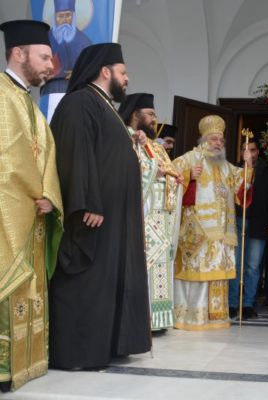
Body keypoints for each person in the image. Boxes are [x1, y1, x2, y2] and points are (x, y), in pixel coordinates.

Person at [49, 43, 151, 369]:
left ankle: (107, 345)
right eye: (123, 72)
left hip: (113, 216)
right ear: (105, 71)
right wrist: (87, 202)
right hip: (94, 214)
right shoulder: (80, 102)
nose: (127, 78)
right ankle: (78, 352)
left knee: (108, 282)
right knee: (88, 281)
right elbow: (76, 152)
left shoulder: (103, 105)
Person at [0, 19, 63, 391]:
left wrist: (50, 195)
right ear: (17, 53)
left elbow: (45, 156)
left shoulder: (28, 102)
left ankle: (28, 361)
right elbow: (6, 160)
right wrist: (27, 196)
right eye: (43, 57)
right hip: (8, 215)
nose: (50, 66)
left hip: (33, 217)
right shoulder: (1, 96)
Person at [172, 115, 252, 330]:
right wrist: (188, 175)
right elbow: (168, 180)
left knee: (216, 274)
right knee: (198, 273)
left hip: (222, 233)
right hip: (197, 231)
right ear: (203, 139)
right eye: (214, 139)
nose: (219, 143)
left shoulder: (225, 166)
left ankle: (215, 317)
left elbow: (242, 188)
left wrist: (248, 163)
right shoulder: (189, 158)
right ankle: (191, 318)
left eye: (221, 140)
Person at [118, 93, 183, 331]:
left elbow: (171, 172)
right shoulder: (122, 136)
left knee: (157, 268)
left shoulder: (153, 145)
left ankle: (157, 321)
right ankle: (138, 321)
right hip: (139, 217)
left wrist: (171, 177)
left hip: (158, 218)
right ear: (136, 114)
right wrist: (156, 172)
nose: (154, 119)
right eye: (151, 114)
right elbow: (125, 170)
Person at [228, 138, 268, 319]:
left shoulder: (266, 171)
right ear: (240, 152)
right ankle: (232, 304)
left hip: (258, 222)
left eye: (252, 150)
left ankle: (248, 304)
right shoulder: (233, 170)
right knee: (235, 265)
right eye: (245, 149)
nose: (249, 153)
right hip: (236, 220)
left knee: (253, 266)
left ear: (257, 152)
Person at [44, 0, 92, 95]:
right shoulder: (45, 39)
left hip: (76, 90)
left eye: (68, 15)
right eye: (60, 16)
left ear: (73, 16)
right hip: (51, 90)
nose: (65, 20)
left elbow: (91, 66)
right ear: (55, 17)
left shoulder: (84, 41)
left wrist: (78, 73)